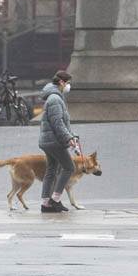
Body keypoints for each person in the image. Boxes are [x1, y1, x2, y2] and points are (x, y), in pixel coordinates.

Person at [39, 70, 78, 213]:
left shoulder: (54, 97)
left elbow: (62, 123)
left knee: (51, 170)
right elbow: (58, 123)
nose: (68, 86)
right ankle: (55, 200)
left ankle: (45, 204)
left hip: (48, 140)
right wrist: (68, 138)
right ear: (61, 82)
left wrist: (72, 135)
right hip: (54, 141)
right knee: (69, 167)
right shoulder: (55, 99)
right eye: (68, 83)